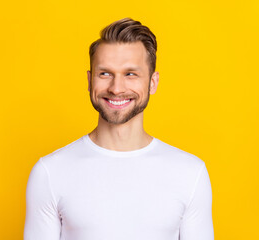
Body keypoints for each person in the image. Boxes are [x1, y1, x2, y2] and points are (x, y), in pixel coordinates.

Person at [24, 18, 214, 240]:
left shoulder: (190, 173)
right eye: (105, 73)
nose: (116, 88)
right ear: (89, 80)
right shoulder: (49, 172)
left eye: (130, 74)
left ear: (153, 83)